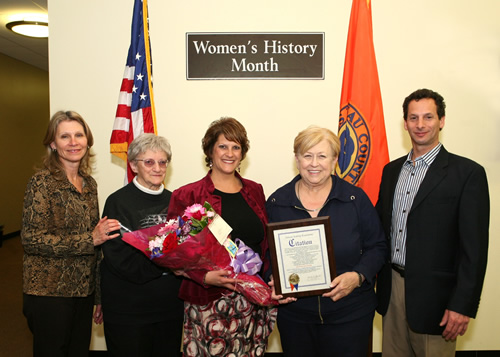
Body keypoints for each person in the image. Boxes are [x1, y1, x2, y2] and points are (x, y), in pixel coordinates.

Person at [376, 88, 490, 357]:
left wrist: (462, 305)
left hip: (437, 301)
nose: (420, 125)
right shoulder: (391, 171)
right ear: (405, 123)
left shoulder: (467, 174)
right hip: (392, 291)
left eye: (428, 117)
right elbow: (381, 229)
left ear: (442, 120)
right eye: (413, 118)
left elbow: (474, 249)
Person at [266, 125, 388, 357]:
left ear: (334, 160)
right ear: (296, 159)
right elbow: (264, 253)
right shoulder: (276, 202)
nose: (314, 164)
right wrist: (272, 278)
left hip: (350, 313)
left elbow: (378, 246)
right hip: (296, 317)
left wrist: (358, 275)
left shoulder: (355, 199)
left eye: (322, 156)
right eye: (307, 156)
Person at [167, 117, 277, 357]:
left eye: (236, 147)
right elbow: (173, 253)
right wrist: (204, 276)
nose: (230, 153)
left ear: (243, 152)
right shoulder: (189, 194)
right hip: (208, 302)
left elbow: (265, 244)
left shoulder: (255, 190)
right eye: (223, 146)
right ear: (210, 150)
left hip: (252, 301)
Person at [21, 110, 120, 357]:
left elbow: (97, 246)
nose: (73, 142)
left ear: (87, 141)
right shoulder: (41, 183)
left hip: (83, 292)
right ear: (53, 144)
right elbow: (32, 239)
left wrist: (98, 295)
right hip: (49, 292)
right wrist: (90, 239)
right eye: (65, 136)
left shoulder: (89, 184)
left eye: (79, 135)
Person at [100, 133, 184, 357]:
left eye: (162, 161)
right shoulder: (117, 202)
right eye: (149, 162)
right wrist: (166, 264)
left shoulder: (177, 201)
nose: (157, 168)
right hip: (129, 310)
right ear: (133, 166)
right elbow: (119, 258)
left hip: (169, 308)